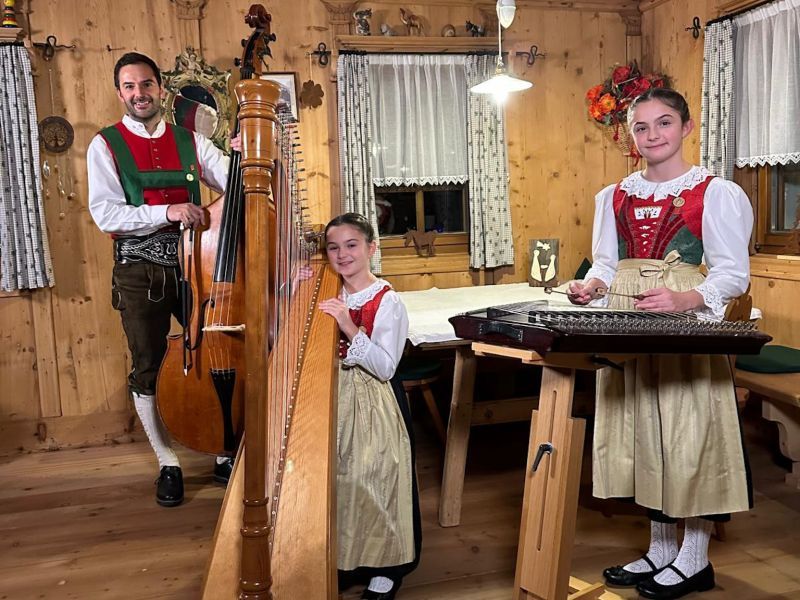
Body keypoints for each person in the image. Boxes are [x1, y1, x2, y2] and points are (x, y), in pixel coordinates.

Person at [569, 88, 753, 600]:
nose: (653, 135)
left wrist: (685, 298)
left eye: (664, 122)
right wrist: (593, 286)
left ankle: (695, 558)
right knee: (642, 434)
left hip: (684, 318)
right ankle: (660, 549)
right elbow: (606, 264)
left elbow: (733, 273)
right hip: (628, 318)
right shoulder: (614, 195)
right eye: (642, 127)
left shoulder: (714, 193)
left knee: (688, 434)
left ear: (687, 127)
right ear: (631, 136)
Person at [87, 52, 240, 508]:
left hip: (198, 265)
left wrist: (245, 156)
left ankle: (223, 449)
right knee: (149, 365)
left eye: (146, 84)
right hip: (139, 270)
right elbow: (106, 213)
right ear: (120, 93)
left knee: (213, 352)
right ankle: (167, 462)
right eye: (130, 86)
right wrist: (167, 211)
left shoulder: (191, 140)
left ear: (160, 88)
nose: (139, 94)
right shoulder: (105, 144)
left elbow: (234, 182)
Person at [319, 213, 421, 600]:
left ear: (371, 248)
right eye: (333, 247)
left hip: (374, 399)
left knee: (374, 478)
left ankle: (386, 567)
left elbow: (385, 367)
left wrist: (348, 325)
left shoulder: (387, 301)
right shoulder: (326, 290)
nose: (342, 254)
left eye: (352, 245)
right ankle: (348, 559)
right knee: (339, 479)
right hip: (332, 393)